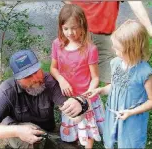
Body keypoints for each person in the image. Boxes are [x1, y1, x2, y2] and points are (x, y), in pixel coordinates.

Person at [0, 49, 89, 149]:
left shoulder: (49, 82)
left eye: (36, 71)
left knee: (69, 141)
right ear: (17, 78)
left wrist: (80, 104)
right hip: (20, 133)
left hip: (48, 131)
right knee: (33, 134)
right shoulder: (7, 90)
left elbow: (75, 116)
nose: (36, 79)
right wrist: (16, 131)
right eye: (27, 76)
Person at [84, 20, 152, 148]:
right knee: (112, 139)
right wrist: (101, 90)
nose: (113, 49)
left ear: (131, 49)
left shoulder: (146, 74)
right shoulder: (115, 63)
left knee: (129, 144)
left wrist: (131, 112)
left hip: (132, 118)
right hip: (113, 112)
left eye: (117, 48)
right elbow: (116, 86)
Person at [64, 1, 152, 84]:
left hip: (103, 35)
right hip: (76, 32)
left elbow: (135, 2)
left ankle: (115, 102)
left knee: (112, 77)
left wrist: (150, 29)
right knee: (77, 76)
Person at [50, 4, 105, 149]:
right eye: (66, 28)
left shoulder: (90, 49)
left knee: (88, 131)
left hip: (85, 97)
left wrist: (86, 97)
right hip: (68, 97)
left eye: (74, 27)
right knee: (73, 127)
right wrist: (61, 80)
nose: (70, 32)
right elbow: (53, 68)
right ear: (61, 27)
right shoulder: (57, 44)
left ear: (82, 26)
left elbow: (95, 78)